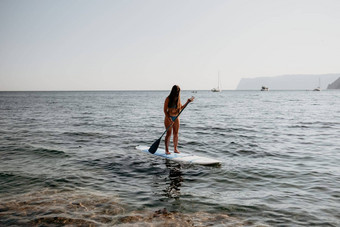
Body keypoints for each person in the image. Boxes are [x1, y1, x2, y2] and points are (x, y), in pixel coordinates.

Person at [163, 85, 194, 155]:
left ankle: (175, 149)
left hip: (176, 118)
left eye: (178, 91)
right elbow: (165, 110)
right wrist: (169, 118)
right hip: (169, 117)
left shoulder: (178, 99)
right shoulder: (168, 98)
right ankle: (166, 150)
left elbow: (181, 108)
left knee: (176, 133)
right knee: (168, 134)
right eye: (176, 91)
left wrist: (187, 102)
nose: (177, 92)